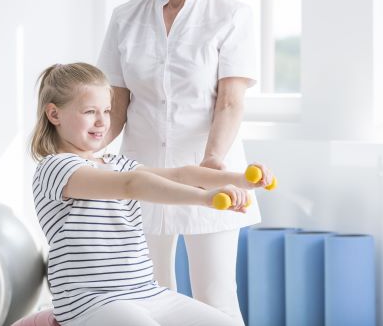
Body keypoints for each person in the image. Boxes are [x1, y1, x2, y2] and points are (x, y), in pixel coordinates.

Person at [29, 63, 273, 326]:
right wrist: (206, 198)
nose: (102, 121)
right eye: (90, 112)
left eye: (107, 111)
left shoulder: (116, 163)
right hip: (91, 301)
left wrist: (241, 179)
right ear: (54, 114)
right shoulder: (55, 167)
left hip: (145, 292)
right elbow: (130, 185)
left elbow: (182, 174)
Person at [97, 0, 259, 323]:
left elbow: (230, 101)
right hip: (142, 176)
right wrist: (85, 153)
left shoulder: (231, 14)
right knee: (147, 294)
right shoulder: (125, 16)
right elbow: (116, 102)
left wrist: (212, 160)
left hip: (211, 172)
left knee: (215, 296)